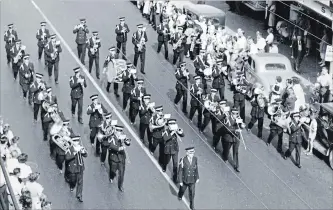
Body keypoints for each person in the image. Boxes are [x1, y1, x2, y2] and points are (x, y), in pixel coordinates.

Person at [108, 125, 130, 192]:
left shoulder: (123, 136)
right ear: (115, 130)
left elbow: (127, 142)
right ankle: (111, 176)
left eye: (120, 131)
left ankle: (120, 186)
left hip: (121, 158)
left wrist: (127, 142)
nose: (119, 132)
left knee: (122, 172)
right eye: (118, 130)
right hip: (114, 157)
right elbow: (110, 145)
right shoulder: (111, 136)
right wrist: (119, 148)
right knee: (113, 170)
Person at [65, 136, 87, 202]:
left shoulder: (80, 147)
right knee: (73, 180)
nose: (77, 143)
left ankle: (79, 195)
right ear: (72, 142)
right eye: (75, 141)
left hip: (80, 167)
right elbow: (67, 157)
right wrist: (74, 152)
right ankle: (72, 185)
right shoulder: (69, 148)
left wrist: (83, 152)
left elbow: (85, 155)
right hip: (73, 168)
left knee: (80, 182)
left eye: (77, 141)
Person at [221, 108, 242, 173]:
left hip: (236, 138)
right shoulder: (227, 119)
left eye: (237, 113)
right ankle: (225, 157)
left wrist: (242, 126)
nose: (236, 115)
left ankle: (236, 166)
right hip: (229, 137)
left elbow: (241, 126)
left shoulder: (238, 119)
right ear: (231, 114)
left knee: (236, 152)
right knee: (226, 150)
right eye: (234, 114)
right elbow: (227, 128)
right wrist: (235, 130)